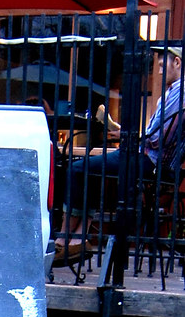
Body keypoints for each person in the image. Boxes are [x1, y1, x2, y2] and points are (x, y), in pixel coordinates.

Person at [54, 45, 183, 264]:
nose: (159, 71)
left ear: (177, 63)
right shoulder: (171, 93)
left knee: (78, 168)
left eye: (162, 66)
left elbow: (158, 139)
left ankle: (68, 236)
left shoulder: (180, 93)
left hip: (149, 161)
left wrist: (129, 135)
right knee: (89, 169)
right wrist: (129, 134)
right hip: (145, 156)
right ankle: (77, 238)